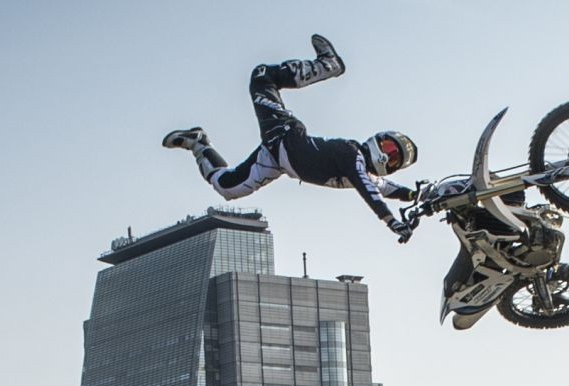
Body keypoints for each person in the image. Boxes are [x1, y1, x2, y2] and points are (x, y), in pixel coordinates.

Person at [163, 34, 419, 242]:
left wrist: (415, 196)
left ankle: (197, 143)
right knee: (261, 76)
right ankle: (328, 65)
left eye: (396, 160)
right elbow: (370, 190)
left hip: (278, 161)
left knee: (226, 187)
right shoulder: (351, 154)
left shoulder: (364, 172)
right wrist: (391, 221)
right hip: (283, 133)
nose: (389, 157)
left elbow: (382, 187)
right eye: (391, 149)